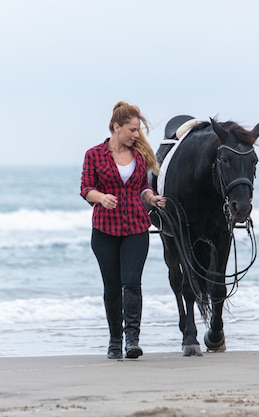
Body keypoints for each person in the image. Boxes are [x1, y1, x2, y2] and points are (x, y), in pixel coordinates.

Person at [80, 101, 166, 359]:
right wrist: (101, 197)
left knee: (132, 284)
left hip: (136, 228)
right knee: (112, 287)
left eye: (138, 130)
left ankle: (132, 340)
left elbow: (142, 188)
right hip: (105, 230)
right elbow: (86, 189)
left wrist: (151, 198)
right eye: (132, 130)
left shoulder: (139, 156)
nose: (137, 135)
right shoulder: (94, 154)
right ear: (116, 127)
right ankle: (115, 340)